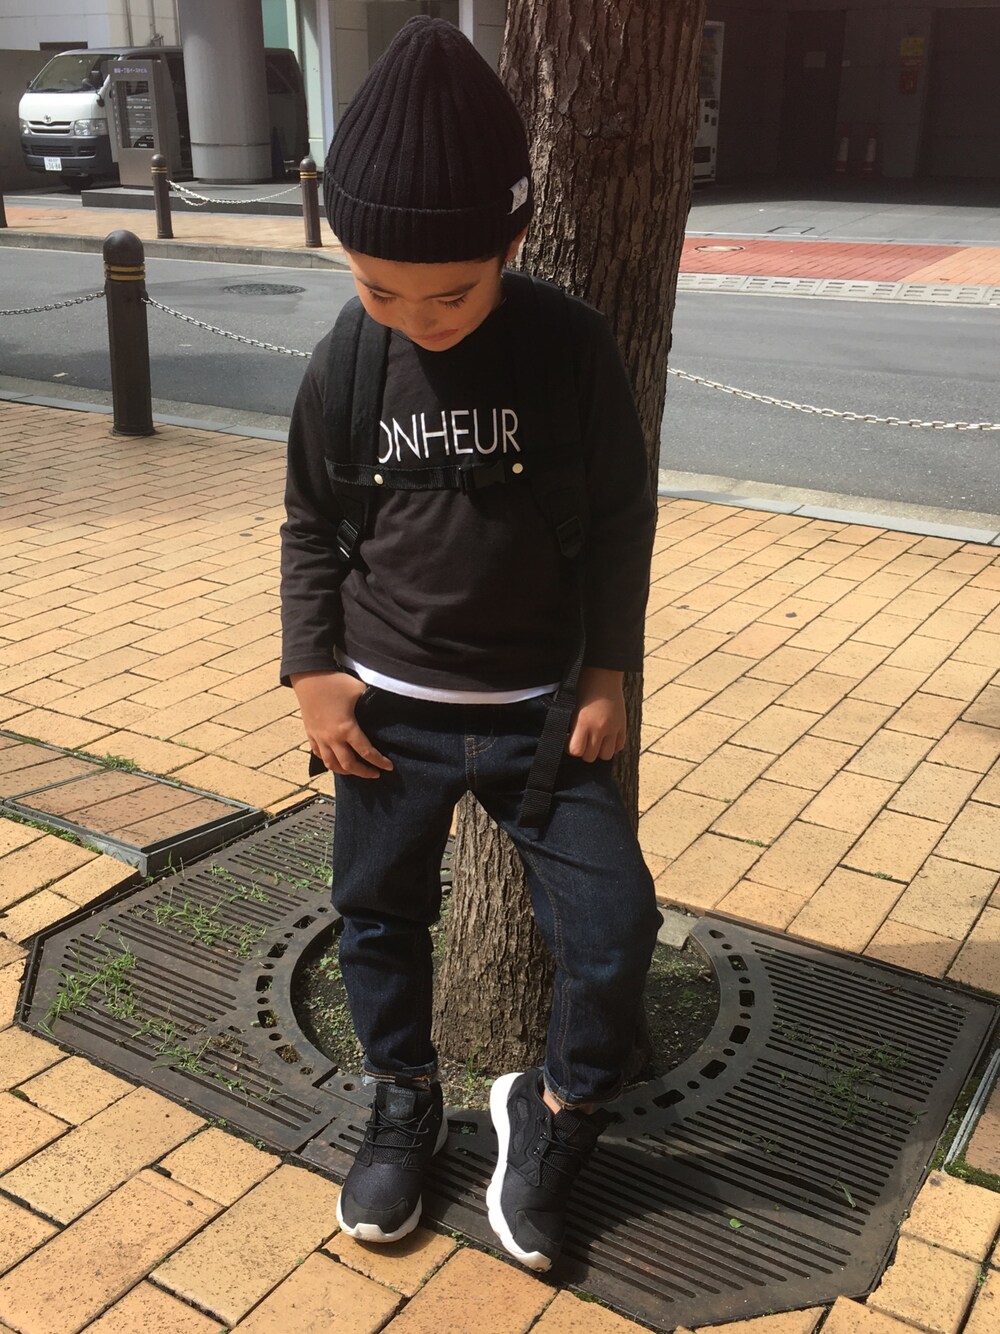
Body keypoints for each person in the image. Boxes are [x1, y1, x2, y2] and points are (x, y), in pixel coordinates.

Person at [279, 16, 659, 1273]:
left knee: (613, 926)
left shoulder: (567, 349)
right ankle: (402, 1099)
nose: (418, 317)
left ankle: (551, 1109)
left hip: (542, 718)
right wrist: (314, 672)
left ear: (513, 241)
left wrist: (604, 673)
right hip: (386, 714)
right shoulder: (348, 358)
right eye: (380, 286)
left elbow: (621, 520)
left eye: (451, 291)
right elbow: (310, 521)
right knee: (377, 913)